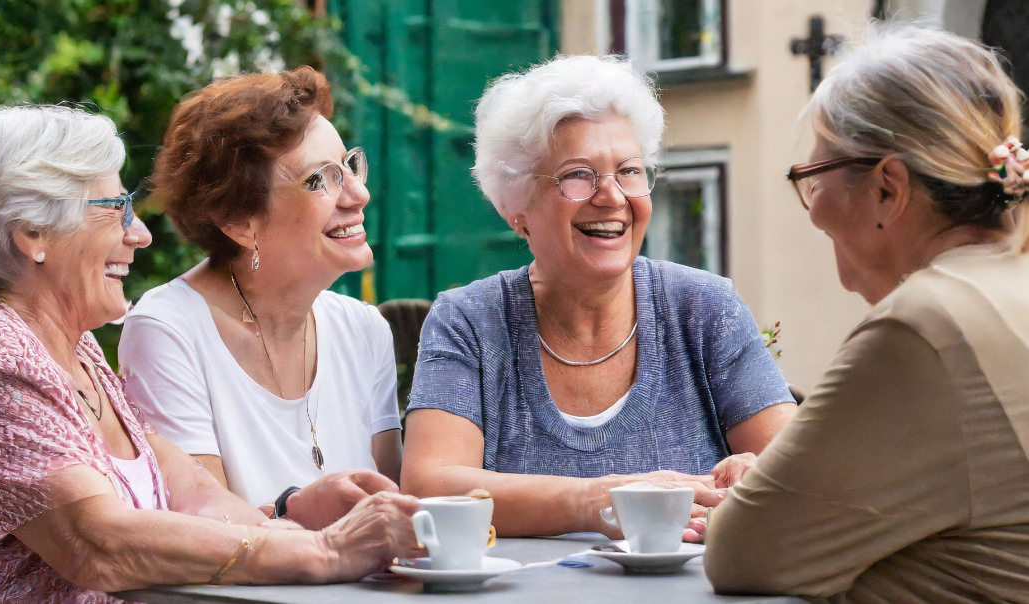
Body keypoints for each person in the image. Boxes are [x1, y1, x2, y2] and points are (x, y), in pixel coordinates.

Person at [0, 105, 422, 603]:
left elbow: (194, 495)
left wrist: (292, 517)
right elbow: (95, 542)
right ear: (33, 233)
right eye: (117, 209)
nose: (140, 235)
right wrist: (325, 552)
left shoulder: (75, 349)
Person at [401, 55, 796, 538]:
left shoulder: (705, 308)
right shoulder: (469, 321)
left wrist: (759, 474)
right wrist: (600, 502)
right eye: (578, 174)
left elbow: (800, 471)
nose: (611, 195)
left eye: (629, 170)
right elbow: (430, 487)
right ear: (518, 207)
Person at [704, 24, 1029, 601]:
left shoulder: (926, 324)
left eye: (811, 175)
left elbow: (742, 555)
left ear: (887, 188)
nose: (809, 201)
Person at [118, 66, 403, 512]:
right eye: (319, 179)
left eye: (349, 166)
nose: (357, 193)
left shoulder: (364, 330)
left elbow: (393, 507)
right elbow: (197, 526)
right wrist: (298, 510)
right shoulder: (168, 331)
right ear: (238, 222)